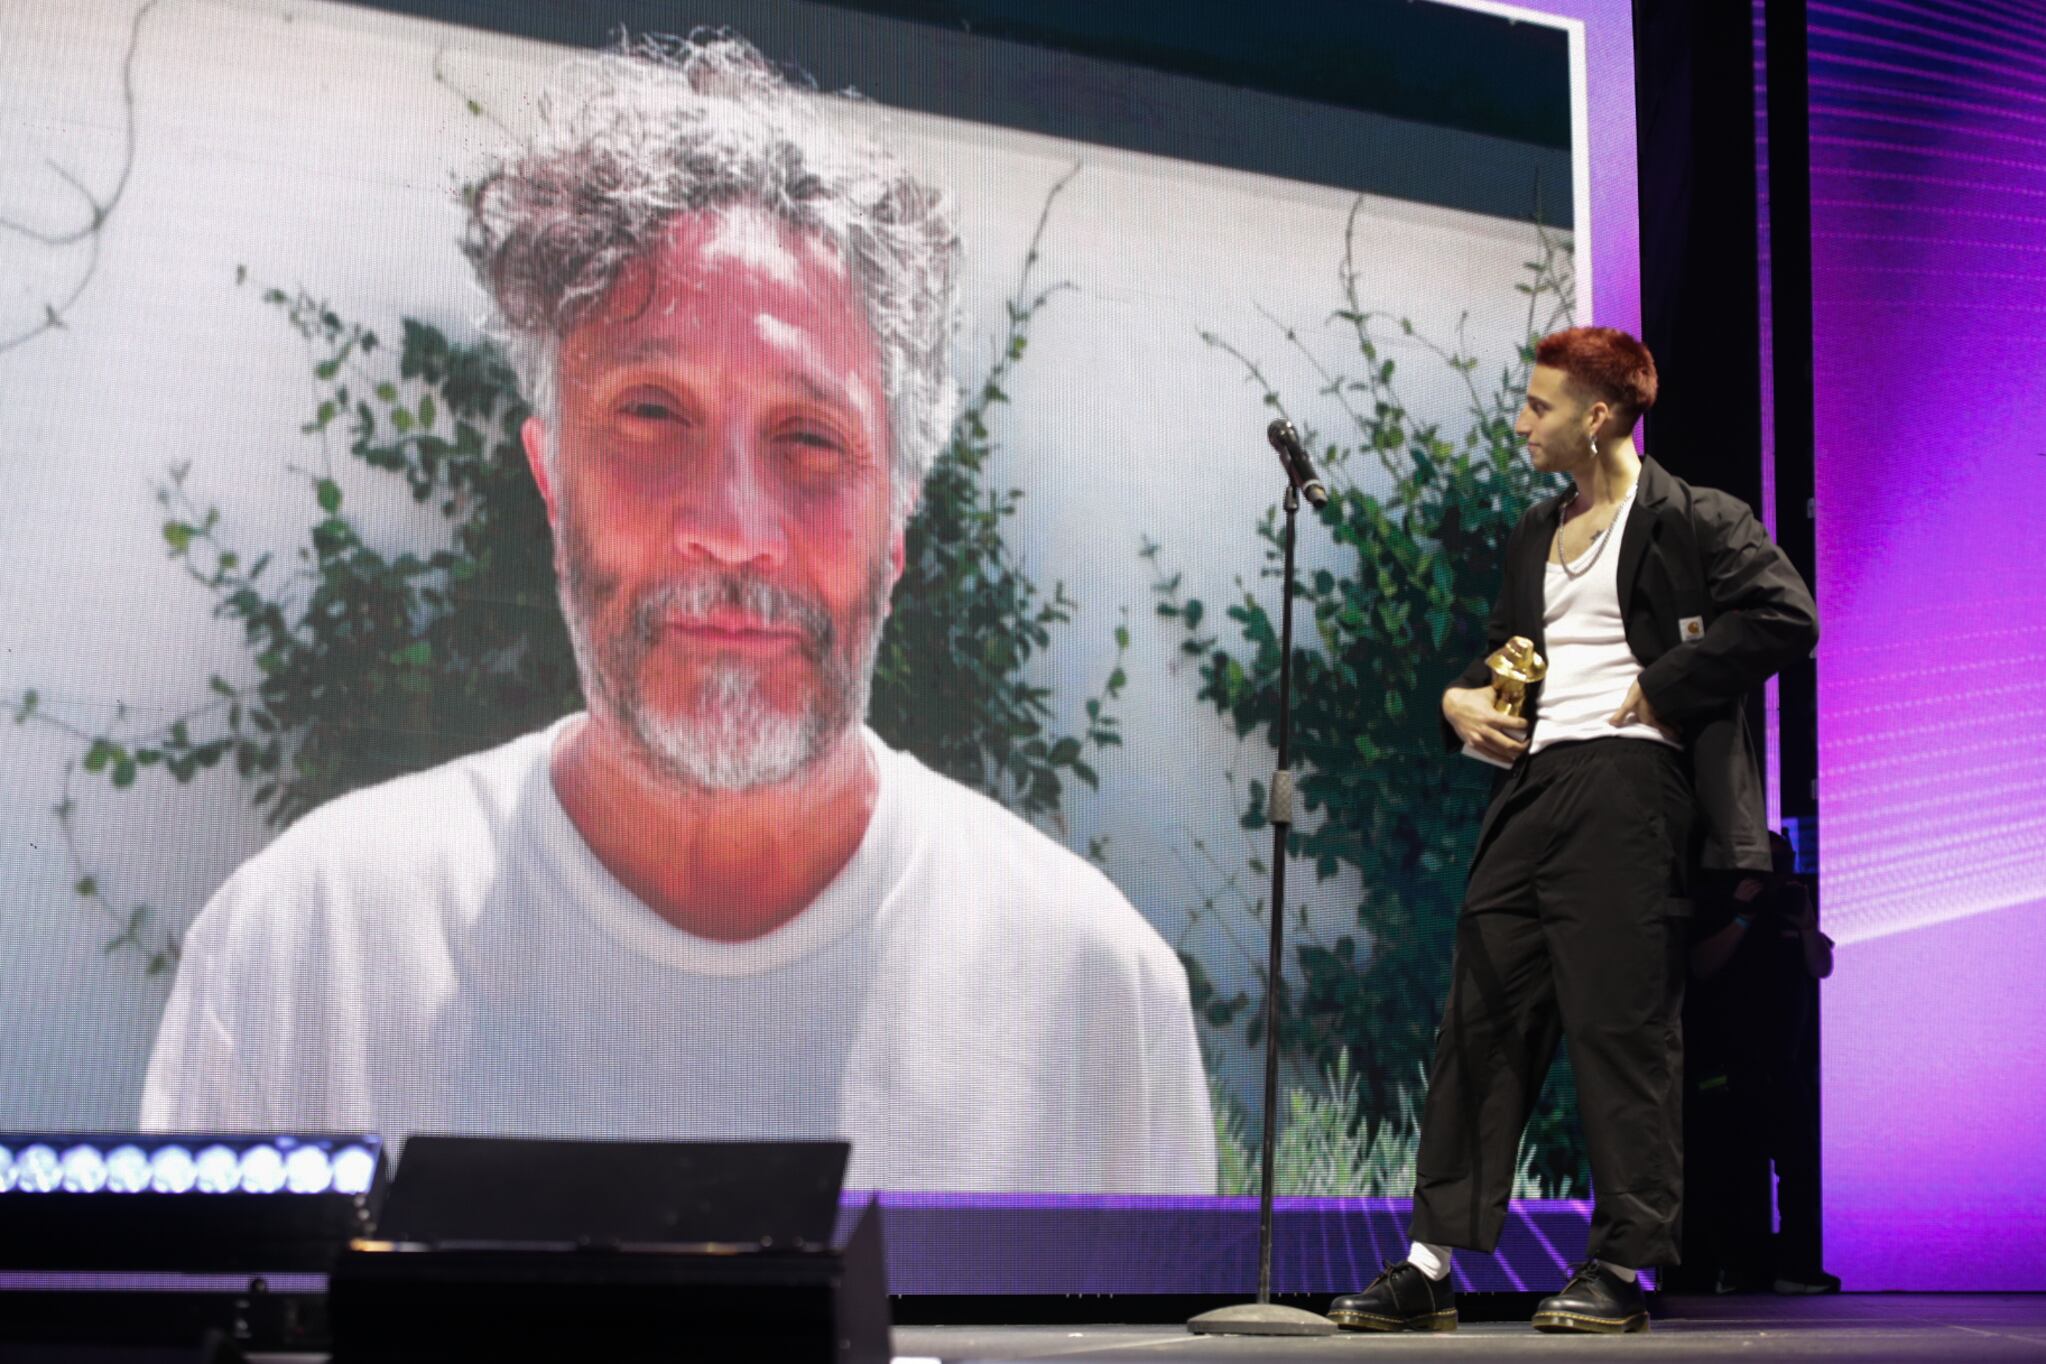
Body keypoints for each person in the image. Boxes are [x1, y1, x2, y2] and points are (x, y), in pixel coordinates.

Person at [141, 34, 1215, 1196]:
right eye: (652, 413)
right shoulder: (305, 956)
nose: (733, 523)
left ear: (899, 515)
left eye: (811, 437)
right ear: (553, 484)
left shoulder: (1094, 1002)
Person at [1327, 327, 1818, 1333]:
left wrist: (1662, 687)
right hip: (1533, 788)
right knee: (1479, 1018)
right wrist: (1462, 703)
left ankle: (1624, 1265)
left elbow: (1785, 613)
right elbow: (1509, 659)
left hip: (1629, 785)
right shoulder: (1534, 535)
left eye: (1540, 405)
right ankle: (1429, 1262)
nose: (1522, 421)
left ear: (1601, 416)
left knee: (1620, 1028)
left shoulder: (1694, 520)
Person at [1684, 830, 1837, 1295]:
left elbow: (1821, 967)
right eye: (1766, 864)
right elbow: (1699, 967)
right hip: (1728, 1064)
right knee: (1731, 1172)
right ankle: (1734, 1268)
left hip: (1783, 1064)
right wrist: (1742, 916)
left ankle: (1796, 1269)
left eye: (1783, 862)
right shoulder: (1720, 904)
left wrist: (1808, 926)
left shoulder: (1794, 907)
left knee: (1798, 1169)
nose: (1776, 875)